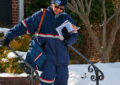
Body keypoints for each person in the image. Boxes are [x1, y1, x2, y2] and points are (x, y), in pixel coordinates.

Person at [1, 0, 78, 85]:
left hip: (63, 59)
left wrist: (68, 37)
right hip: (47, 58)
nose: (58, 10)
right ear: (52, 4)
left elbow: (73, 39)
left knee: (62, 82)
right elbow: (23, 26)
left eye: (61, 8)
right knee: (47, 79)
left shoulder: (67, 19)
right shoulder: (41, 16)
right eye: (56, 6)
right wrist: (8, 37)